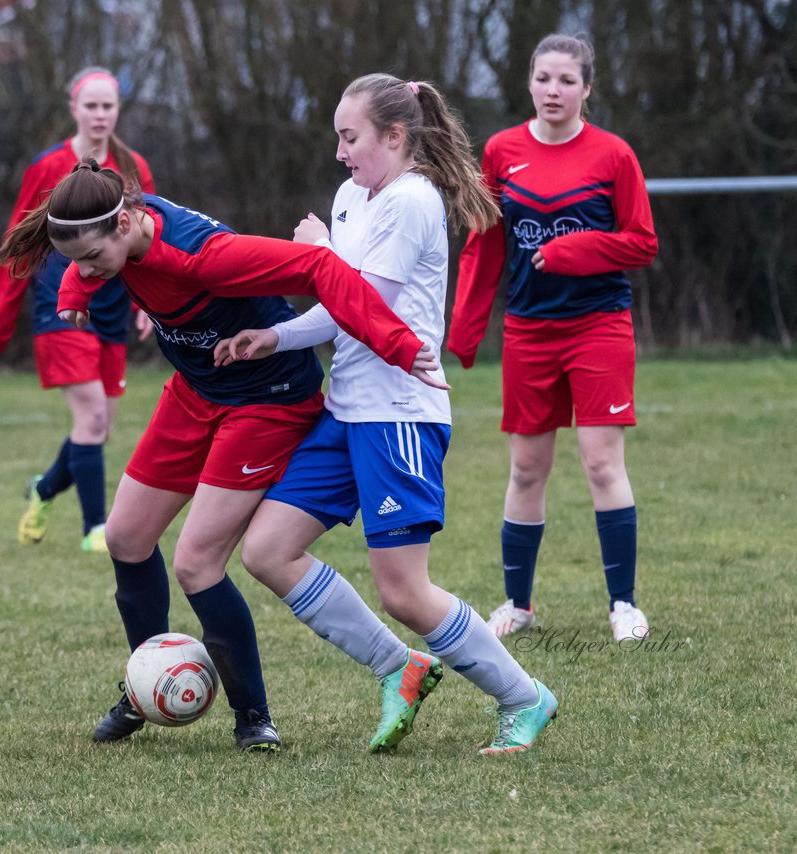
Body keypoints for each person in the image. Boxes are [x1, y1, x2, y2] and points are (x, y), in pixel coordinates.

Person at [0, 159, 445, 752]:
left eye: (91, 259)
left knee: (197, 562)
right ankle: (144, 683)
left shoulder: (209, 256)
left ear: (126, 223)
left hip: (267, 399)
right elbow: (92, 257)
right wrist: (79, 285)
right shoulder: (118, 225)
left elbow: (318, 265)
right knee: (126, 537)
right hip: (198, 390)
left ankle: (254, 716)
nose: (83, 271)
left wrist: (397, 342)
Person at [215, 74, 557, 756]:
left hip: (399, 415)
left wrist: (315, 252)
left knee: (404, 591)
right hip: (346, 412)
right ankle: (398, 667)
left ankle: (525, 697)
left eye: (351, 138)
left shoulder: (413, 201)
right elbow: (337, 306)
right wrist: (275, 336)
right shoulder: (351, 197)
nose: (341, 153)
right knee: (267, 550)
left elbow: (362, 301)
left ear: (394, 137)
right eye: (338, 138)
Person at [450, 34, 659, 642]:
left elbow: (642, 243)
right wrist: (464, 328)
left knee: (600, 463)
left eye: (567, 81)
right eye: (544, 78)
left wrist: (574, 251)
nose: (553, 91)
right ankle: (518, 605)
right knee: (526, 469)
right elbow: (484, 242)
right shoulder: (500, 150)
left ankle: (624, 606)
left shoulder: (614, 155)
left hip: (599, 327)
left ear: (587, 89)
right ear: (530, 83)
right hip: (528, 331)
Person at [0, 67, 156, 553]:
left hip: (114, 306)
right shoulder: (47, 165)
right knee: (93, 420)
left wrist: (152, 303)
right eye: (92, 106)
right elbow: (18, 243)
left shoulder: (133, 165)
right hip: (56, 306)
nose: (100, 114)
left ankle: (42, 490)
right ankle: (94, 529)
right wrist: (0, 324)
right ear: (74, 109)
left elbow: (148, 238)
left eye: (109, 106)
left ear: (117, 110)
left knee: (99, 425)